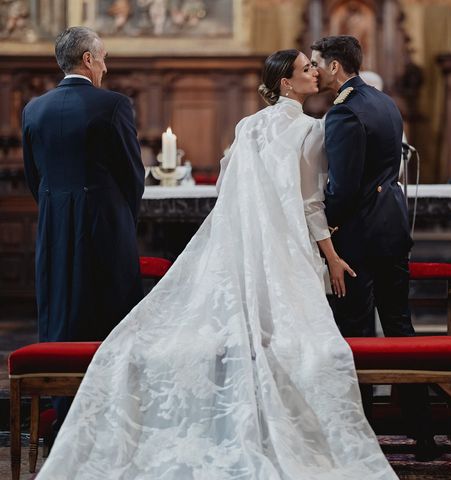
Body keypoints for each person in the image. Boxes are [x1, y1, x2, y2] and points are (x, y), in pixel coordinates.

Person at [36, 49, 398, 480]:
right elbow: (309, 203)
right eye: (305, 69)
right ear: (286, 82)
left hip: (243, 243)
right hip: (285, 250)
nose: (315, 73)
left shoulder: (247, 126)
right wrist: (333, 256)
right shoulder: (313, 130)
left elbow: (230, 189)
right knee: (290, 340)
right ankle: (278, 426)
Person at [310, 35, 436, 460]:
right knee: (401, 328)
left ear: (334, 67)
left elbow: (342, 189)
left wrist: (325, 225)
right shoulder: (384, 102)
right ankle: (423, 432)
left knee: (356, 335)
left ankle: (359, 435)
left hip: (358, 237)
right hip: (393, 227)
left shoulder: (343, 113)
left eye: (316, 64)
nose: (312, 71)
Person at [22, 26, 145, 434]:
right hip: (104, 222)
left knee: (59, 308)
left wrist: (58, 206)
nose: (106, 67)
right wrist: (121, 214)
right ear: (88, 59)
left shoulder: (33, 109)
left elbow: (32, 174)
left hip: (54, 223)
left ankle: (62, 413)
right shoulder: (112, 105)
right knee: (108, 307)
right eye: (104, 58)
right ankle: (107, 415)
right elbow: (132, 174)